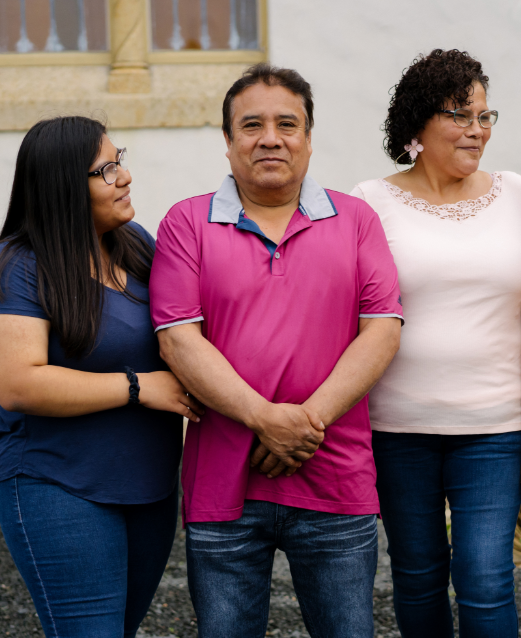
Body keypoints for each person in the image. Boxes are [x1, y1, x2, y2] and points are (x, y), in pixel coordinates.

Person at [149, 63, 403, 638]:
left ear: (309, 139)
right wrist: (266, 419)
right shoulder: (186, 223)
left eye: (287, 124)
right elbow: (177, 338)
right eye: (251, 125)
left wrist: (304, 425)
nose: (270, 137)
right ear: (228, 141)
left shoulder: (356, 220)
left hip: (335, 479)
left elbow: (383, 329)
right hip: (224, 487)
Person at [0, 116, 204, 638]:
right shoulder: (15, 267)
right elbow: (19, 383)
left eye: (119, 160)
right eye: (104, 170)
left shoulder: (138, 247)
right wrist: (138, 387)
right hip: (58, 486)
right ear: (63, 185)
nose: (124, 177)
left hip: (149, 486)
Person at [349, 49, 521, 638]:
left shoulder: (516, 195)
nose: (478, 130)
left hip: (497, 426)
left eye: (485, 116)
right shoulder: (368, 201)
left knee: (486, 576)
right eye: (460, 115)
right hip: (399, 428)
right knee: (418, 575)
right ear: (418, 124)